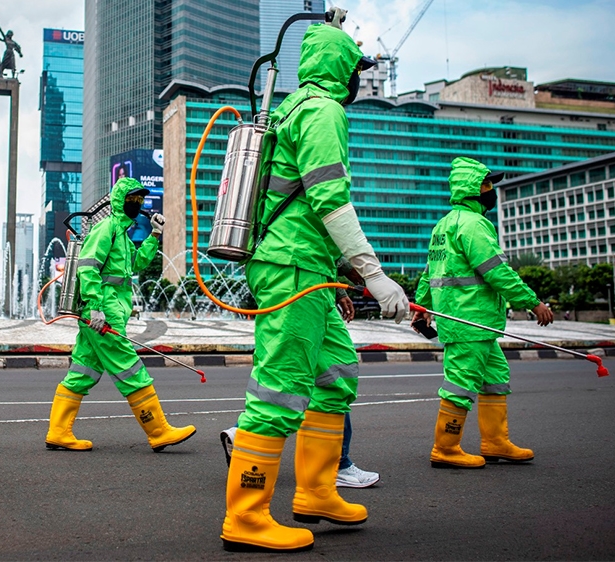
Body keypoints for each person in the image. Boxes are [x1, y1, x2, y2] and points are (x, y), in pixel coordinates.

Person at [220, 15, 410, 553]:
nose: (358, 78)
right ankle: (247, 515)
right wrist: (374, 273)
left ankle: (318, 492)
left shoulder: (295, 108)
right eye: (356, 67)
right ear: (342, 68)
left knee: (336, 374)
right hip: (294, 266)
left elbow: (304, 201)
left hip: (309, 267)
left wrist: (346, 272)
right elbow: (329, 198)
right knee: (279, 390)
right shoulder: (323, 110)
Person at [413, 157, 553, 470]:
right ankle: (446, 447)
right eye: (487, 184)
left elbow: (428, 272)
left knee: (495, 378)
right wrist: (533, 302)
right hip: (469, 319)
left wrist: (422, 307)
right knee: (460, 384)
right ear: (473, 189)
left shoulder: (444, 224)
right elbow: (497, 272)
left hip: (476, 323)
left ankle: (495, 442)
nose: (491, 191)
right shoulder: (474, 225)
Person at [45, 177, 196, 452]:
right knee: (131, 368)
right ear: (120, 201)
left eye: (140, 200)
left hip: (105, 311)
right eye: (132, 200)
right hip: (104, 311)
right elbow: (88, 267)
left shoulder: (123, 236)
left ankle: (58, 431)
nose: (137, 204)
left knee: (83, 371)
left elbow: (137, 263)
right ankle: (158, 430)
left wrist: (154, 236)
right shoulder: (107, 228)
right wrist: (95, 307)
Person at [219, 258, 380, 489]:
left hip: (303, 278)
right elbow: (324, 228)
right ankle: (248, 507)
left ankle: (326, 476)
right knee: (296, 378)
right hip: (298, 278)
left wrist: (336, 289)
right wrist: (369, 274)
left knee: (332, 376)